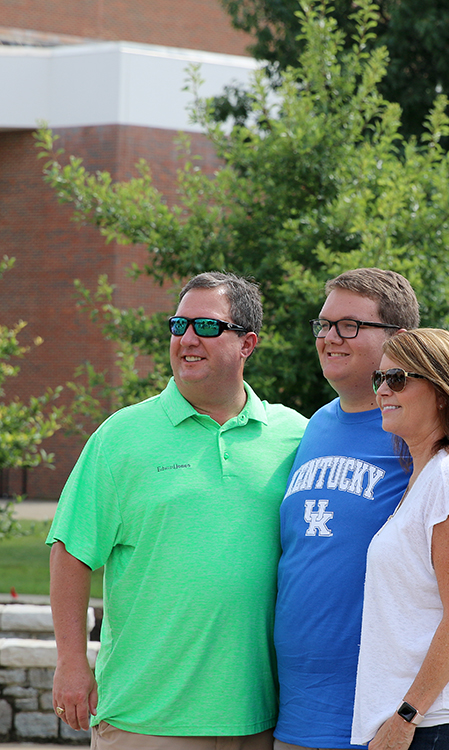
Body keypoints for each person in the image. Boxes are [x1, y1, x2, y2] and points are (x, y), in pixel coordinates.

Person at [274, 268, 449, 750]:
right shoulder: (315, 427)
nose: (330, 337)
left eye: (349, 326)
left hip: (397, 715)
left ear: (398, 338)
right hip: (299, 713)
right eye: (324, 324)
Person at [47, 271, 308, 749]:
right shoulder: (121, 437)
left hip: (259, 719)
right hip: (146, 720)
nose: (187, 339)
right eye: (178, 325)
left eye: (206, 327)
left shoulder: (294, 437)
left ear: (247, 343)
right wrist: (71, 661)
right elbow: (71, 551)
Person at [351, 328, 449, 750]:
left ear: (442, 392)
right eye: (379, 378)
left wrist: (406, 717)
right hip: (427, 721)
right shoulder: (427, 478)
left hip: (440, 723)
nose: (382, 390)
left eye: (398, 378)